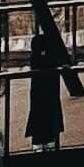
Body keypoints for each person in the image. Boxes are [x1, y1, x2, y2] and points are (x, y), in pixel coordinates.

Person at [25, 23, 68, 151]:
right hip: (50, 82)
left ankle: (40, 140)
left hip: (40, 83)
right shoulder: (52, 46)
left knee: (40, 109)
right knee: (49, 108)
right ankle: (49, 139)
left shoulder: (37, 48)